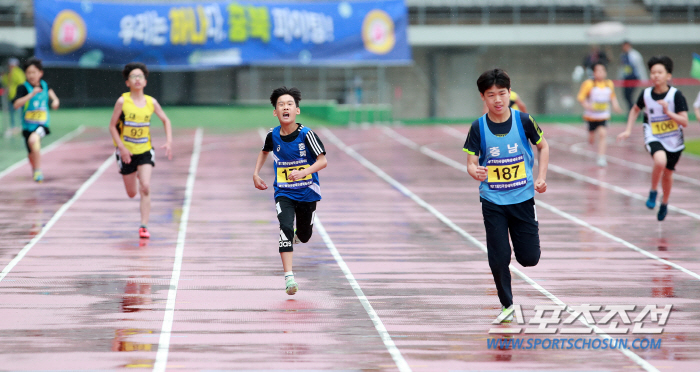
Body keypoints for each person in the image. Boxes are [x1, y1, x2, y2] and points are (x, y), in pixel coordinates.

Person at [464, 69, 549, 322]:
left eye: (502, 93)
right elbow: (470, 162)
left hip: (522, 198)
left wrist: (541, 176)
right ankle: (507, 304)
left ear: (509, 93)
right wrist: (473, 171)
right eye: (491, 95)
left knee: (529, 259)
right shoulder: (478, 127)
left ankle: (521, 248)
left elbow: (543, 146)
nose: (498, 100)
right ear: (483, 97)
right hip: (493, 200)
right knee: (499, 256)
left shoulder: (524, 121)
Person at [253, 87, 328, 296]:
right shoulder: (272, 135)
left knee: (304, 235)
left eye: (289, 104)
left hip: (307, 192)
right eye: (281, 104)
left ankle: (297, 236)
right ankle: (289, 278)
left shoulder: (307, 135)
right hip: (283, 192)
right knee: (285, 227)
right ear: (275, 112)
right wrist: (256, 173)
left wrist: (304, 171)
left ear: (297, 110)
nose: (285, 107)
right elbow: (264, 151)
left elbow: (323, 161)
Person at [617, 56, 689, 221]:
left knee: (668, 174)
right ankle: (653, 190)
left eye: (660, 72)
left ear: (668, 76)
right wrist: (628, 130)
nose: (656, 75)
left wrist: (668, 112)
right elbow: (635, 110)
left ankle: (664, 203)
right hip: (653, 135)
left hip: (674, 140)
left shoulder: (676, 95)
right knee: (660, 162)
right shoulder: (646, 94)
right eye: (653, 72)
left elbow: (684, 121)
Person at [108, 62, 173, 239]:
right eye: (133, 77)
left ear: (145, 81)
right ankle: (134, 174)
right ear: (127, 82)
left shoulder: (151, 102)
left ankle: (143, 226)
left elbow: (166, 120)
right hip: (126, 153)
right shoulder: (123, 101)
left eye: (140, 76)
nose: (137, 79)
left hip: (145, 150)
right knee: (132, 193)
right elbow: (112, 126)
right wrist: (121, 148)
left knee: (145, 187)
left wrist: (168, 141)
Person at [12, 58, 59, 182]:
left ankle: (38, 170)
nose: (31, 75)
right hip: (28, 126)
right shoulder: (23, 88)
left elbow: (52, 95)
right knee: (31, 153)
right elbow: (16, 104)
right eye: (28, 73)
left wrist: (55, 101)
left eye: (34, 72)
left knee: (34, 140)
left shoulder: (45, 85)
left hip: (42, 124)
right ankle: (35, 168)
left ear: (40, 73)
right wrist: (30, 95)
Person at [577, 62, 623, 167]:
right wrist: (587, 106)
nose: (600, 73)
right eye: (598, 71)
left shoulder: (609, 84)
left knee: (603, 134)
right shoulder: (588, 84)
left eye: (603, 71)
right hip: (591, 116)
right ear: (594, 72)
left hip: (603, 116)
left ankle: (601, 157)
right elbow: (581, 98)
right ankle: (591, 140)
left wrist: (616, 106)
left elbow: (613, 97)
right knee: (591, 139)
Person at [1, 57, 26, 138]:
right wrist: (4, 76)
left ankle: (21, 126)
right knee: (11, 112)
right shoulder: (8, 73)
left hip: (17, 95)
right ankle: (13, 126)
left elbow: (21, 82)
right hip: (10, 96)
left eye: (12, 65)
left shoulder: (18, 72)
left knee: (19, 111)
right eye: (10, 65)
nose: (11, 66)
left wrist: (13, 74)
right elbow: (5, 82)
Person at [620, 41, 648, 111]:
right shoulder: (623, 55)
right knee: (626, 96)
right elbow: (622, 68)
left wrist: (644, 79)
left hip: (634, 77)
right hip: (626, 78)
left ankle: (634, 110)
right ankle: (632, 110)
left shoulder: (635, 55)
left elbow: (640, 67)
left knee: (630, 95)